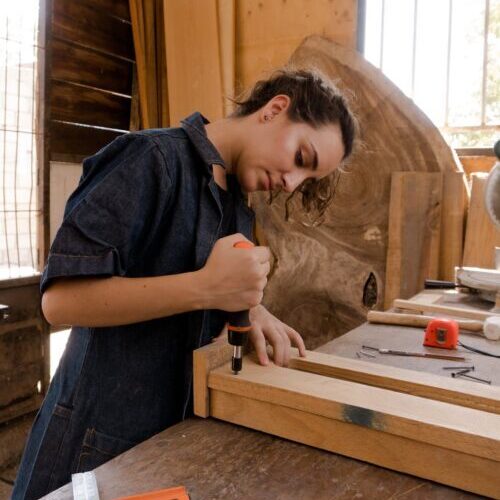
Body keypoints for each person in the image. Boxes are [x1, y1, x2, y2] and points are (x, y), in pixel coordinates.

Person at [12, 68, 358, 499]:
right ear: (275, 109)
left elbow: (188, 281)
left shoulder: (235, 202)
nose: (291, 182)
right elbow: (61, 301)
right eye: (302, 158)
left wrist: (251, 306)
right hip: (90, 452)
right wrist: (208, 288)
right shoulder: (150, 160)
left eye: (308, 180)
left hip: (163, 446)